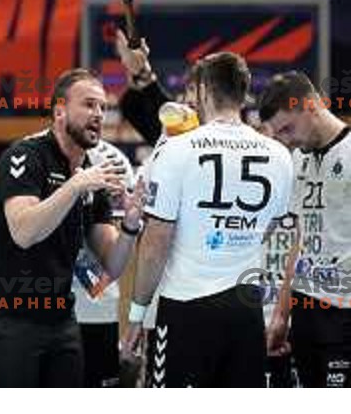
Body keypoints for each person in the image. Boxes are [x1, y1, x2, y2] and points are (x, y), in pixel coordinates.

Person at [124, 52, 294, 387]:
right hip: (246, 313)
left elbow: (156, 243)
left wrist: (137, 314)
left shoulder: (177, 149)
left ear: (201, 90)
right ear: (243, 91)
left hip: (186, 310)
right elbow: (268, 228)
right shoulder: (279, 154)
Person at [0, 68, 146, 387]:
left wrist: (132, 225)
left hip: (60, 314)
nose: (98, 115)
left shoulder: (91, 173)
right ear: (60, 111)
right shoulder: (25, 156)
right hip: (9, 312)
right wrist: (75, 185)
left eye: (103, 108)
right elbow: (24, 232)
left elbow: (112, 265)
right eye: (89, 105)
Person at [259, 71, 351, 387]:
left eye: (287, 128)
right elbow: (300, 241)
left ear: (311, 106)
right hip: (306, 312)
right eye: (278, 134)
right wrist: (282, 315)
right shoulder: (298, 159)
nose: (286, 140)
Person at [72, 139, 135, 387]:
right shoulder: (35, 154)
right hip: (49, 315)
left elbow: (101, 277)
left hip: (100, 312)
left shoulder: (112, 158)